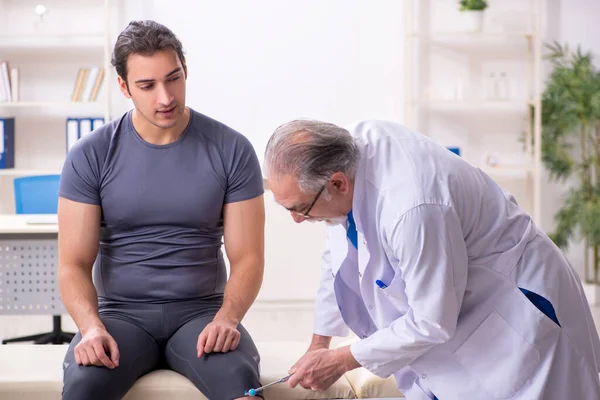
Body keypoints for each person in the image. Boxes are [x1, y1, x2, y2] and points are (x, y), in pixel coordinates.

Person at [264, 119, 600, 399]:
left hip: (518, 312)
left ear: (337, 183)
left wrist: (340, 360)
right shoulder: (344, 160)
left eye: (299, 208)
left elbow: (431, 320)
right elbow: (337, 257)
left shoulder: (412, 206)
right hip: (463, 317)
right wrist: (317, 344)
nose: (297, 219)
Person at [58, 20, 265, 400]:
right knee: (84, 387)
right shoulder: (90, 154)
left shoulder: (232, 149)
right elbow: (73, 263)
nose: (166, 97)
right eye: (147, 85)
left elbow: (248, 257)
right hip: (119, 316)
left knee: (240, 383)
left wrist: (228, 318)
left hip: (203, 315)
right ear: (123, 86)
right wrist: (90, 328)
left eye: (174, 78)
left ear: (185, 68)